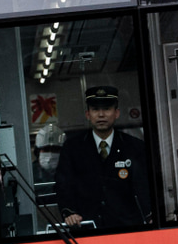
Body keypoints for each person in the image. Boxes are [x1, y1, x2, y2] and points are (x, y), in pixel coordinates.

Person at [55, 85, 151, 229]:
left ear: (116, 113)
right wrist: (69, 212)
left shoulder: (134, 146)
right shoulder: (73, 148)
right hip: (88, 225)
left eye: (106, 109)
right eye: (95, 109)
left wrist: (150, 215)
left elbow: (144, 185)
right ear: (88, 114)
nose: (101, 115)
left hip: (127, 227)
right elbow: (63, 185)